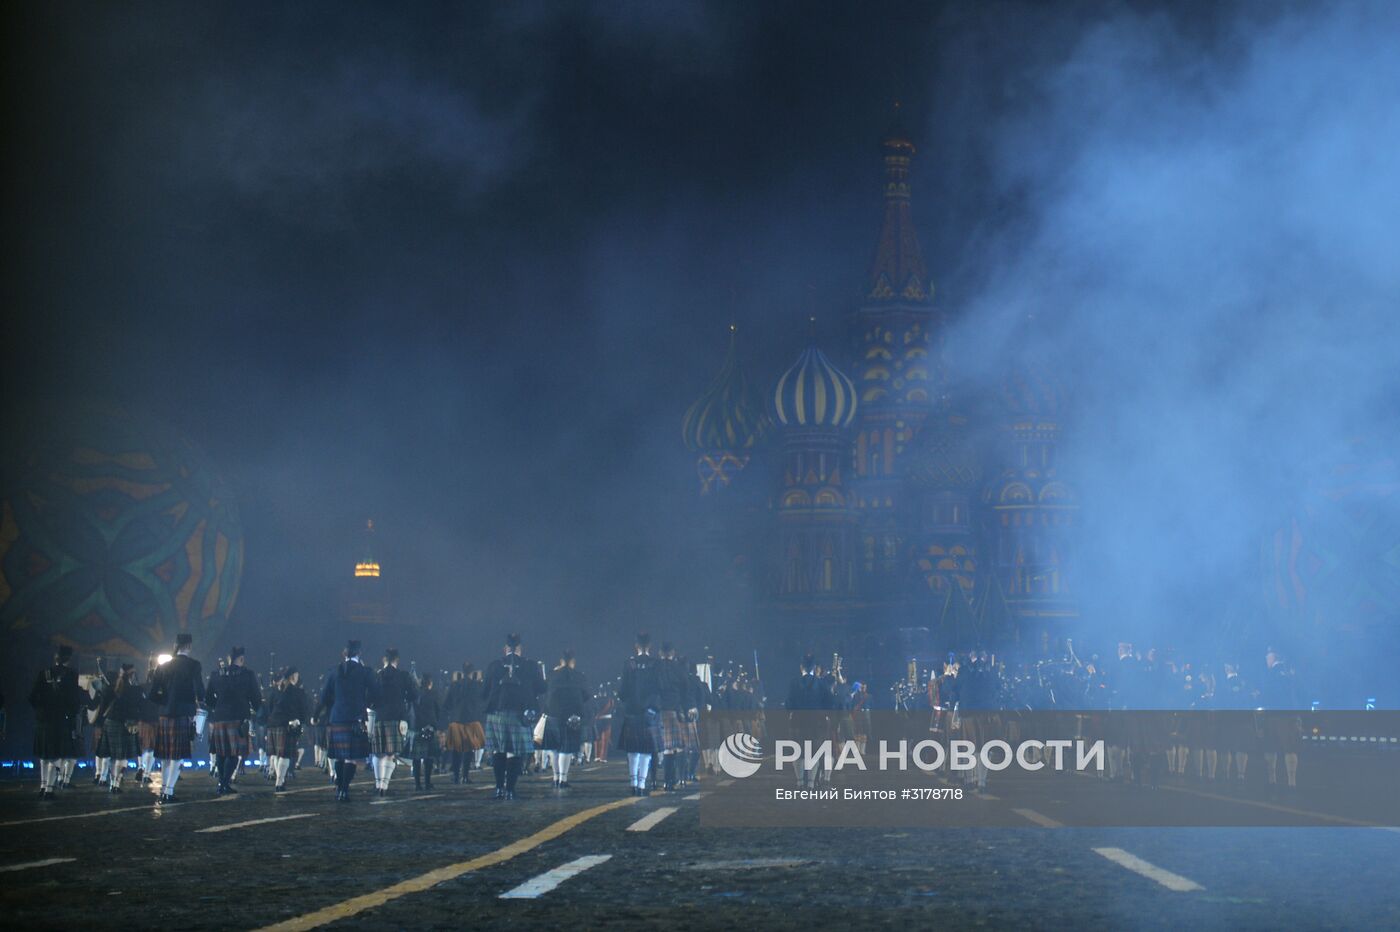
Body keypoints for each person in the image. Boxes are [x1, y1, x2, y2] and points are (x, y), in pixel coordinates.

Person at [482, 633, 545, 800]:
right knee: (514, 753)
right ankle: (510, 790)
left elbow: (484, 692)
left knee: (498, 750)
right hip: (519, 715)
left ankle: (498, 788)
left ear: (505, 649)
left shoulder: (494, 665)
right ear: (519, 649)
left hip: (496, 714)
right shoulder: (530, 666)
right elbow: (542, 688)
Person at [146, 632, 206, 804]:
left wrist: (164, 703)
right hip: (183, 713)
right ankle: (169, 791)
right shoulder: (194, 665)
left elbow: (152, 694)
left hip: (165, 714)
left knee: (165, 756)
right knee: (177, 756)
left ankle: (164, 789)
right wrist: (198, 701)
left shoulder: (164, 666)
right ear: (189, 646)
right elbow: (200, 691)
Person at [319, 640, 379, 802]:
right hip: (355, 719)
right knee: (351, 757)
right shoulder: (365, 671)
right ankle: (344, 790)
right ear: (359, 653)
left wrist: (316, 714)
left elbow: (324, 696)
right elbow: (375, 692)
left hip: (337, 718)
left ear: (345, 653)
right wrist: (366, 704)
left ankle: (339, 787)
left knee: (339, 756)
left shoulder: (334, 671)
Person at [28, 644, 84, 799]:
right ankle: (49, 789)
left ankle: (43, 786)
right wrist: (71, 715)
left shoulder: (44, 673)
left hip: (43, 720)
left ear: (56, 657)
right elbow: (73, 700)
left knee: (44, 755)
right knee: (56, 755)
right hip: (60, 721)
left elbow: (32, 697)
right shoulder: (72, 674)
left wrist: (41, 711)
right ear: (69, 659)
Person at [205, 647, 262, 795]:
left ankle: (221, 783)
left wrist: (217, 707)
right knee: (234, 754)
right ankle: (224, 784)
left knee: (221, 753)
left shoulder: (216, 674)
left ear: (229, 658)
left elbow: (208, 699)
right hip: (238, 718)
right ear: (241, 659)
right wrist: (257, 710)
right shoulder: (248, 675)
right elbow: (256, 698)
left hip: (220, 718)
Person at [618, 633, 663, 796]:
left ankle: (633, 783)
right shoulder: (656, 664)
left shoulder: (628, 664)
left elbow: (622, 690)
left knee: (633, 750)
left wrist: (625, 701)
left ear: (636, 646)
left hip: (632, 711)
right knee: (646, 750)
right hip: (649, 712)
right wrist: (653, 707)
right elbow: (660, 687)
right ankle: (642, 785)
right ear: (649, 646)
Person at [371, 648, 417, 797]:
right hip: (397, 717)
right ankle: (384, 786)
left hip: (381, 716)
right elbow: (414, 695)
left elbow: (369, 697)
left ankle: (378, 784)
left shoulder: (378, 676)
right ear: (397, 660)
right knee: (390, 754)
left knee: (378, 754)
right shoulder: (403, 676)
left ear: (385, 659)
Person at [784, 653, 831, 789]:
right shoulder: (821, 683)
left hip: (798, 721)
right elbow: (829, 702)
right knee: (814, 751)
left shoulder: (794, 682)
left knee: (799, 752)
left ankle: (800, 781)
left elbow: (788, 703)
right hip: (817, 722)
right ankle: (811, 782)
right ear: (814, 667)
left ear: (801, 667)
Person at [542, 650, 588, 789]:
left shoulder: (552, 674)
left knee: (554, 749)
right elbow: (585, 696)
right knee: (565, 749)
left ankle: (555, 778)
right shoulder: (579, 676)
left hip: (552, 714)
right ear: (572, 661)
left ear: (561, 661)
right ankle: (563, 779)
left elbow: (544, 692)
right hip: (571, 716)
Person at [94, 663, 142, 794]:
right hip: (125, 725)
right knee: (122, 757)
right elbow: (137, 709)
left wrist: (99, 724)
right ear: (132, 674)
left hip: (109, 723)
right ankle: (116, 784)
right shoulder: (134, 690)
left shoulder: (109, 688)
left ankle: (110, 781)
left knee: (112, 757)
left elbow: (102, 708)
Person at [266, 668, 309, 792]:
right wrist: (301, 722)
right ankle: (279, 782)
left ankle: (279, 780)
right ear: (292, 676)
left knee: (276, 754)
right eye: (296, 675)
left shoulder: (275, 691)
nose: (297, 677)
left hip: (273, 724)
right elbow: (303, 710)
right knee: (284, 755)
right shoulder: (297, 692)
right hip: (287, 725)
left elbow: (269, 708)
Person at [411, 673, 442, 792]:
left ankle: (417, 784)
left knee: (416, 759)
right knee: (429, 758)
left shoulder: (416, 695)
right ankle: (428, 783)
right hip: (430, 728)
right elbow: (438, 711)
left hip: (417, 728)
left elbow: (412, 711)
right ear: (430, 683)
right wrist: (434, 725)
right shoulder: (433, 694)